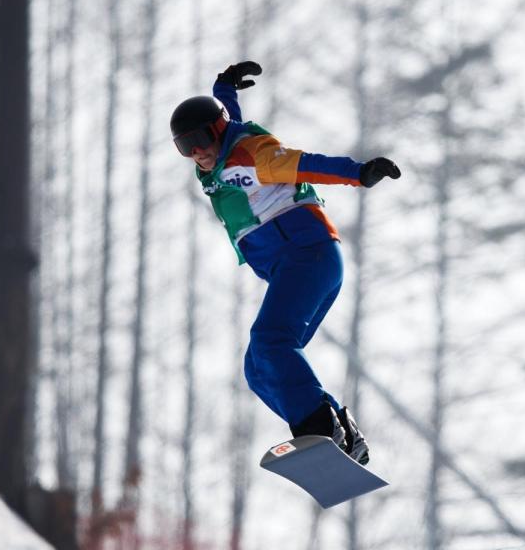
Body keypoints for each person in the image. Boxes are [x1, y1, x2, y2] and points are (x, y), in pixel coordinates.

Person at [170, 61, 400, 465]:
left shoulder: (256, 155)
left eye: (201, 139)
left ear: (217, 132)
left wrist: (359, 173)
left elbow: (306, 163)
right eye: (185, 146)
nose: (198, 153)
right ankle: (342, 434)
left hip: (307, 254)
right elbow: (228, 119)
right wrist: (223, 88)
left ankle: (319, 430)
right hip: (298, 266)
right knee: (259, 368)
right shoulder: (222, 153)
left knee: (270, 342)